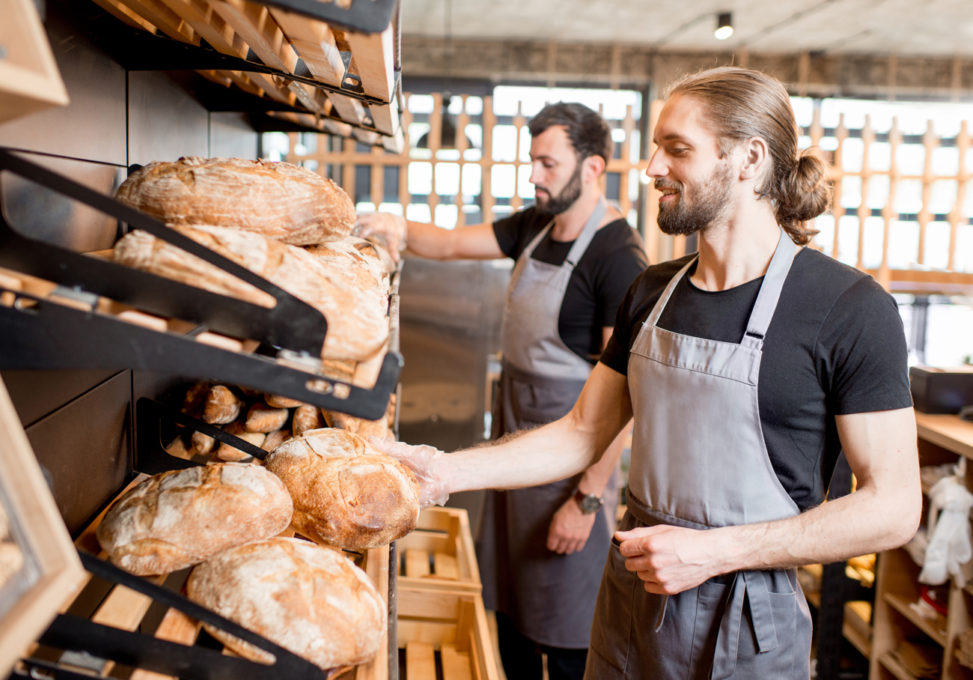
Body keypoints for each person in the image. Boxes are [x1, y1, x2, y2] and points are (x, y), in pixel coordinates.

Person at [370, 67, 921, 679]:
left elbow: (894, 506)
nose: (652, 167)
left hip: (745, 627)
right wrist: (441, 471)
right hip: (630, 605)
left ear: (749, 158)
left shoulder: (849, 308)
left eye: (677, 149)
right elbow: (582, 432)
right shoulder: (652, 292)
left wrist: (714, 553)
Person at [356, 103, 648, 679]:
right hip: (515, 452)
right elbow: (446, 245)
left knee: (565, 631)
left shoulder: (618, 257)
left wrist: (586, 502)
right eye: (532, 161)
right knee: (510, 614)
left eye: (547, 162)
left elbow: (624, 403)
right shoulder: (535, 226)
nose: (534, 175)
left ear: (592, 167)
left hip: (567, 475)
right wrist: (394, 228)